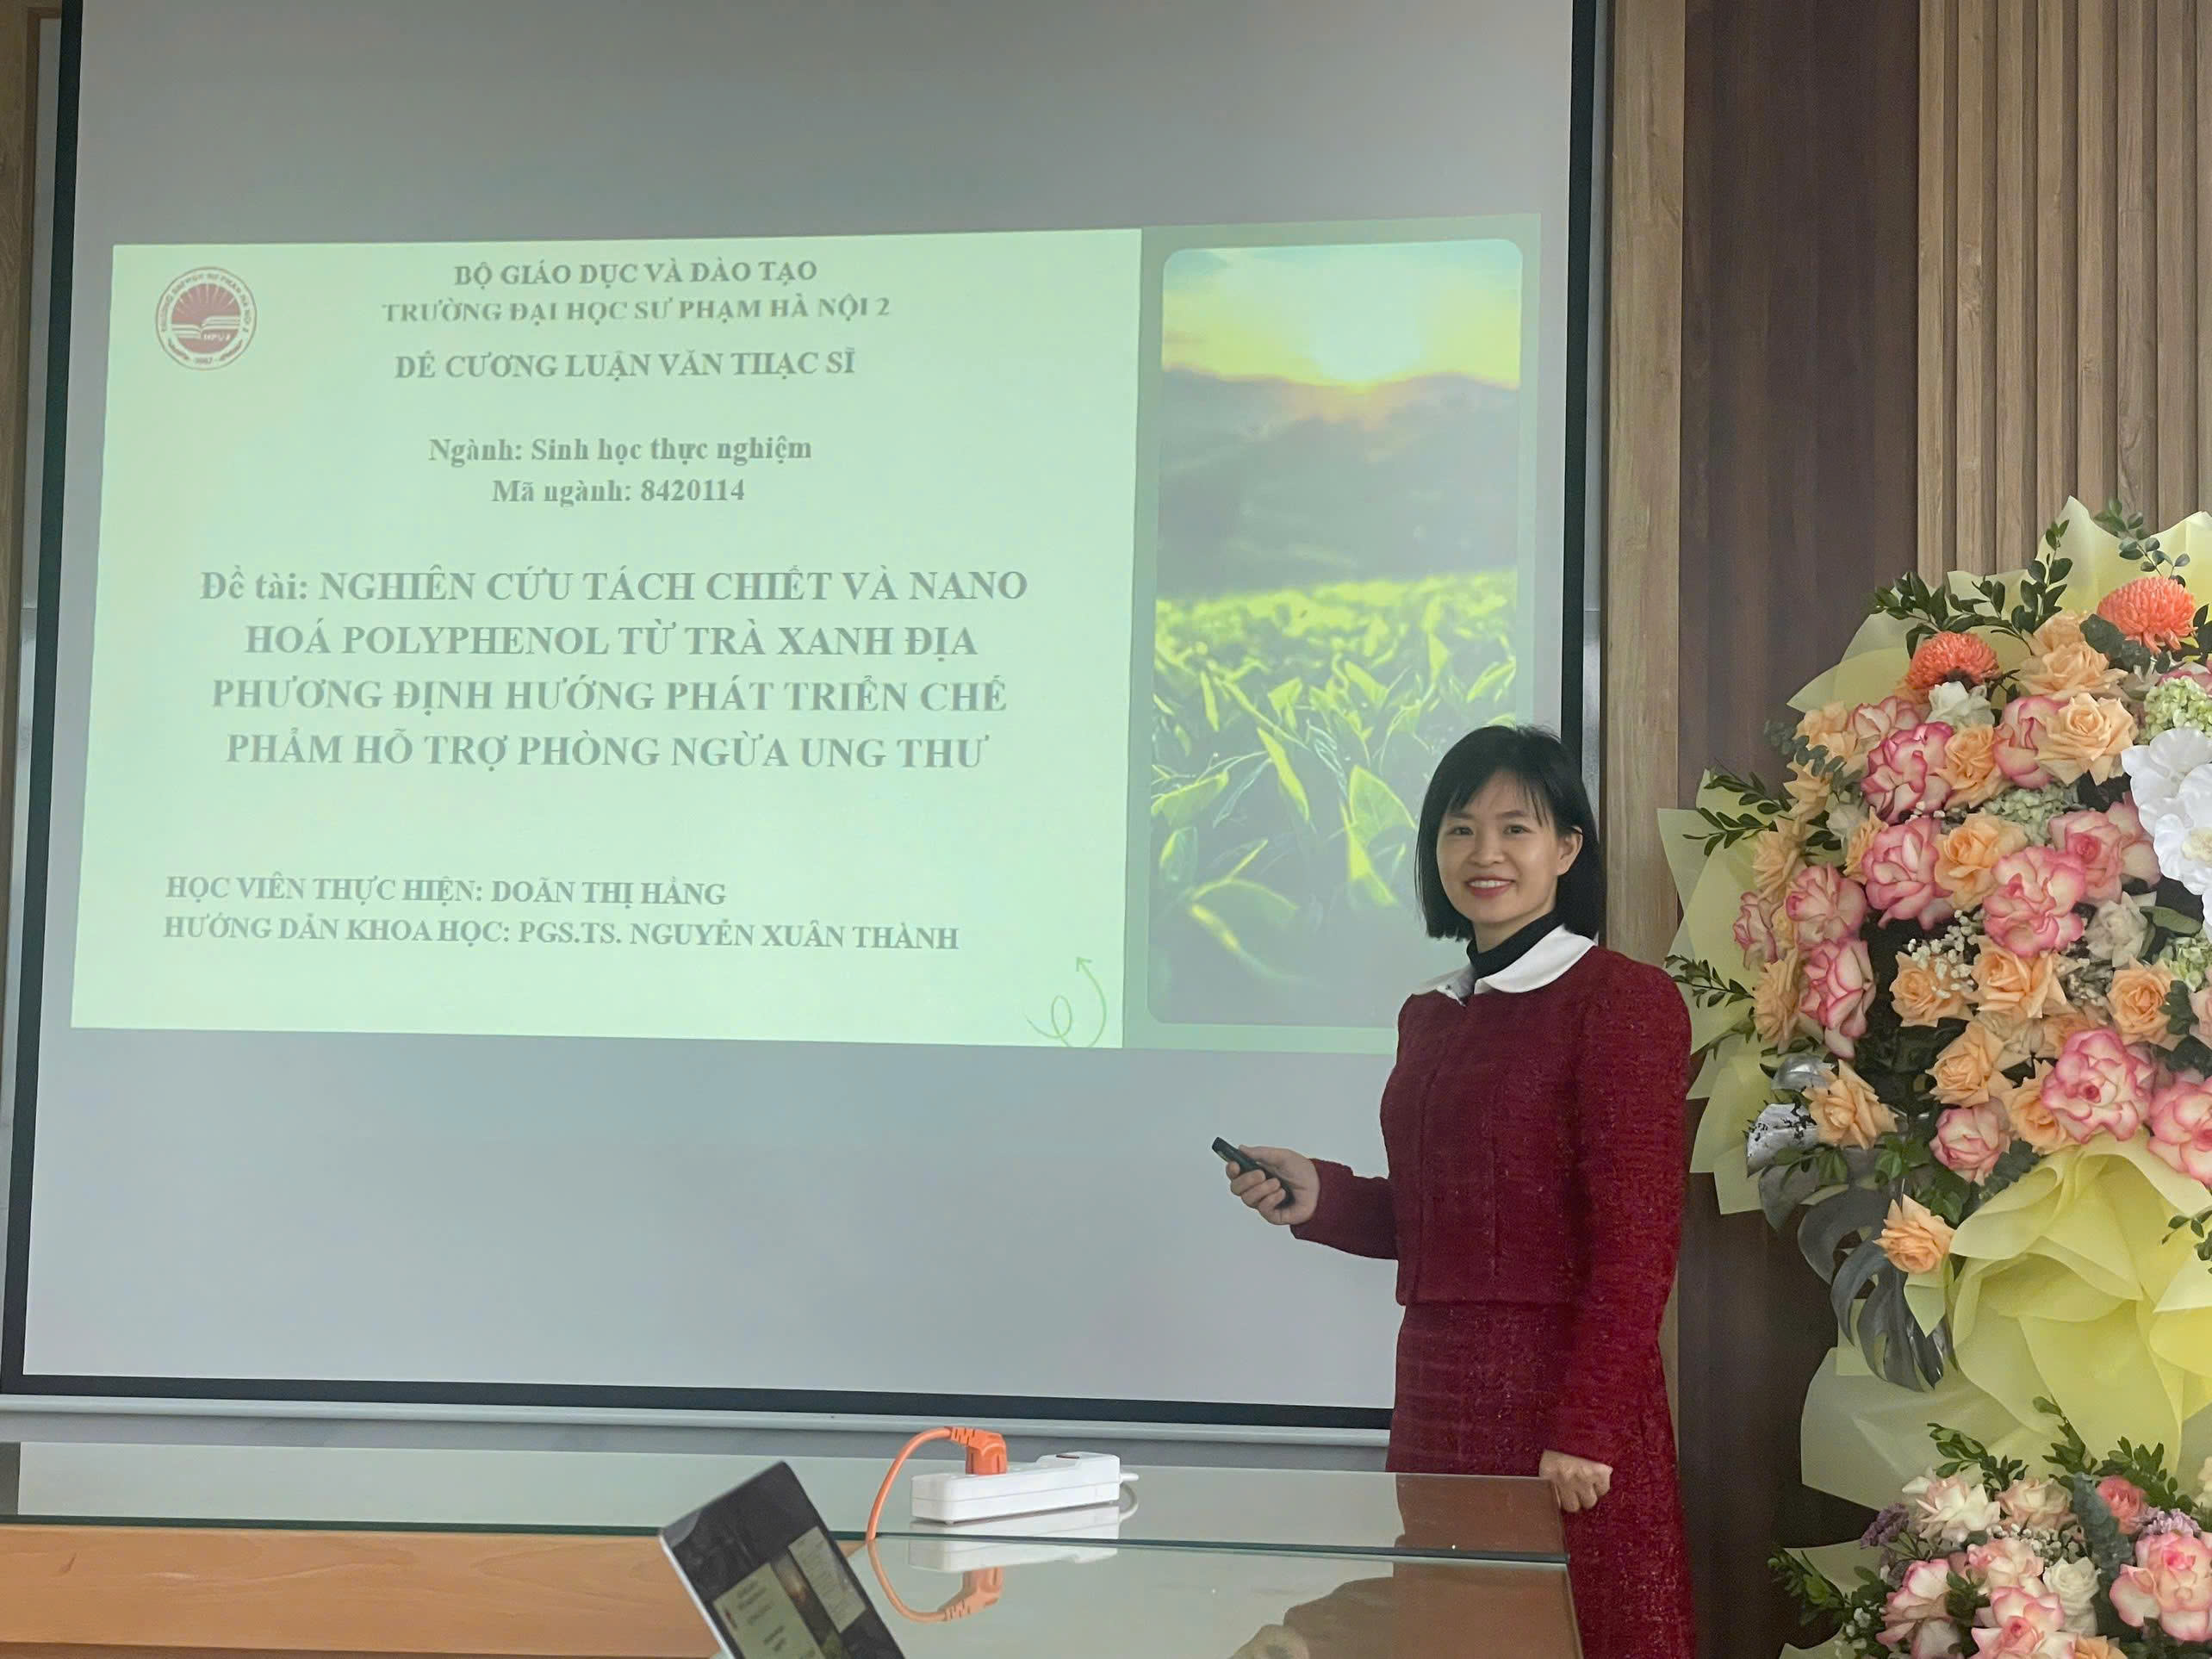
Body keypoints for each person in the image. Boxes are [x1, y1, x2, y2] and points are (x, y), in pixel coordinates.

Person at [1224, 724, 1693, 1659]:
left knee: (1582, 1633)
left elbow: (1638, 1245)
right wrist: (1323, 1196)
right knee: (1443, 1632)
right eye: (1459, 828)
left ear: (1568, 848)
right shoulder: (1432, 1014)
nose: (1485, 853)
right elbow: (1448, 1219)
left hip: (1564, 1401)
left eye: (1516, 828)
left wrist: (1589, 1427)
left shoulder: (1621, 1001)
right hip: (1438, 1392)